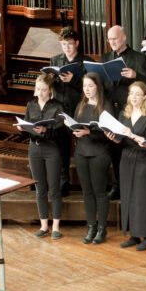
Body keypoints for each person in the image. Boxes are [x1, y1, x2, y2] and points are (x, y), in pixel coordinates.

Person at [106, 82, 146, 251]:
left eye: (137, 94)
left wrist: (133, 135)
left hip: (143, 160)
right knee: (128, 196)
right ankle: (134, 235)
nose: (133, 97)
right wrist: (114, 138)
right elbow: (120, 139)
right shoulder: (123, 113)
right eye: (131, 94)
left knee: (142, 199)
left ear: (145, 96)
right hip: (126, 158)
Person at [100, 25, 146, 201]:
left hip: (130, 109)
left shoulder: (138, 57)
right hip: (111, 109)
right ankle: (117, 185)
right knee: (113, 148)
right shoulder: (105, 57)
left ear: (124, 37)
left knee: (129, 148)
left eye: (115, 38)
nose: (112, 42)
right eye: (110, 39)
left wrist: (135, 75)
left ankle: (132, 185)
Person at [69, 73, 113, 244]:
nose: (87, 89)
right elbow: (76, 126)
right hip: (81, 152)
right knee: (86, 192)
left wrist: (89, 132)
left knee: (99, 192)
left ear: (98, 87)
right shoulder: (81, 105)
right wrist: (71, 127)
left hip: (99, 153)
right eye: (85, 86)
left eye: (90, 86)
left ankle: (102, 229)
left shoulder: (105, 106)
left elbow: (110, 134)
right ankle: (91, 226)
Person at [18, 74, 64, 240]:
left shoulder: (58, 106)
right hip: (34, 149)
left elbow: (60, 131)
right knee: (40, 188)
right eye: (38, 89)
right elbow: (27, 123)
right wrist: (23, 129)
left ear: (50, 90)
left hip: (51, 149)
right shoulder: (31, 105)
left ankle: (56, 227)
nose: (41, 93)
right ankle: (44, 225)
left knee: (54, 189)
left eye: (44, 90)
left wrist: (46, 131)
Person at [50, 27, 94, 197]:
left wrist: (74, 80)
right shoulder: (55, 60)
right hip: (60, 110)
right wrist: (52, 78)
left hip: (79, 109)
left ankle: (87, 185)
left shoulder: (86, 62)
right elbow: (50, 84)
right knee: (61, 148)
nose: (67, 48)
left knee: (83, 147)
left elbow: (91, 89)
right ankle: (63, 183)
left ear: (76, 43)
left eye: (69, 44)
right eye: (63, 44)